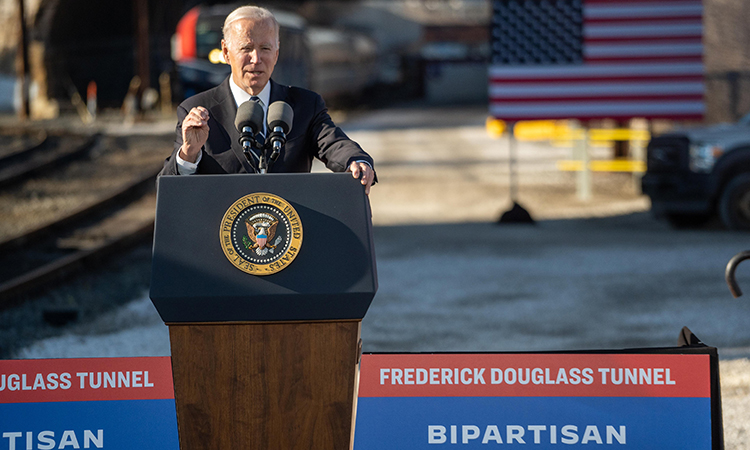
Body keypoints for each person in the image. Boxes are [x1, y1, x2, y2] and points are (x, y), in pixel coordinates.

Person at [160, 6, 376, 194]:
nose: (256, 59)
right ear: (226, 52)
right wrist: (188, 154)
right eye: (246, 48)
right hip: (224, 234)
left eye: (265, 48)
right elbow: (168, 188)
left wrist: (356, 160)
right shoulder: (196, 111)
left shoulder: (305, 105)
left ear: (277, 53)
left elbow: (333, 142)